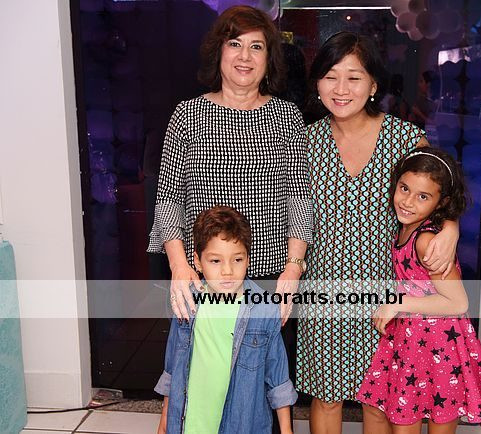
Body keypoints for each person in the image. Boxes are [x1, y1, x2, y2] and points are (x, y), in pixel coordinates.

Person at [295, 32, 460, 434]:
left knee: (381, 399)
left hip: (389, 289)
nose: (341, 89)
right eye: (330, 76)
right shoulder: (304, 140)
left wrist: (450, 227)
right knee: (326, 395)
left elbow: (439, 192)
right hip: (325, 287)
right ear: (317, 84)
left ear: (372, 85)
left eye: (354, 77)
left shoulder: (404, 138)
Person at [147, 5, 312, 323]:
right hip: (202, 276)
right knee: (203, 356)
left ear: (269, 58)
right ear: (218, 52)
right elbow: (168, 199)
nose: (245, 56)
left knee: (265, 356)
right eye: (235, 43)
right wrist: (179, 266)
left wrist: (293, 268)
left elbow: (299, 198)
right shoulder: (187, 115)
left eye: (256, 46)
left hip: (270, 278)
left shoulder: (287, 116)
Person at [358, 148, 481, 433]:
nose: (408, 201)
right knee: (395, 411)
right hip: (412, 340)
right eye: (404, 188)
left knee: (434, 416)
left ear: (441, 202)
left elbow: (457, 302)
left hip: (440, 344)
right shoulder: (406, 228)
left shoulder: (426, 240)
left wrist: (398, 303)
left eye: (423, 196)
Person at [156, 206, 296, 434]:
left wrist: (287, 430)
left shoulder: (264, 309)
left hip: (242, 424)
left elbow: (278, 376)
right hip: (193, 423)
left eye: (237, 259)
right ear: (198, 262)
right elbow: (173, 365)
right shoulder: (187, 302)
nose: (227, 271)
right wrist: (165, 419)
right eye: (215, 261)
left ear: (248, 259)